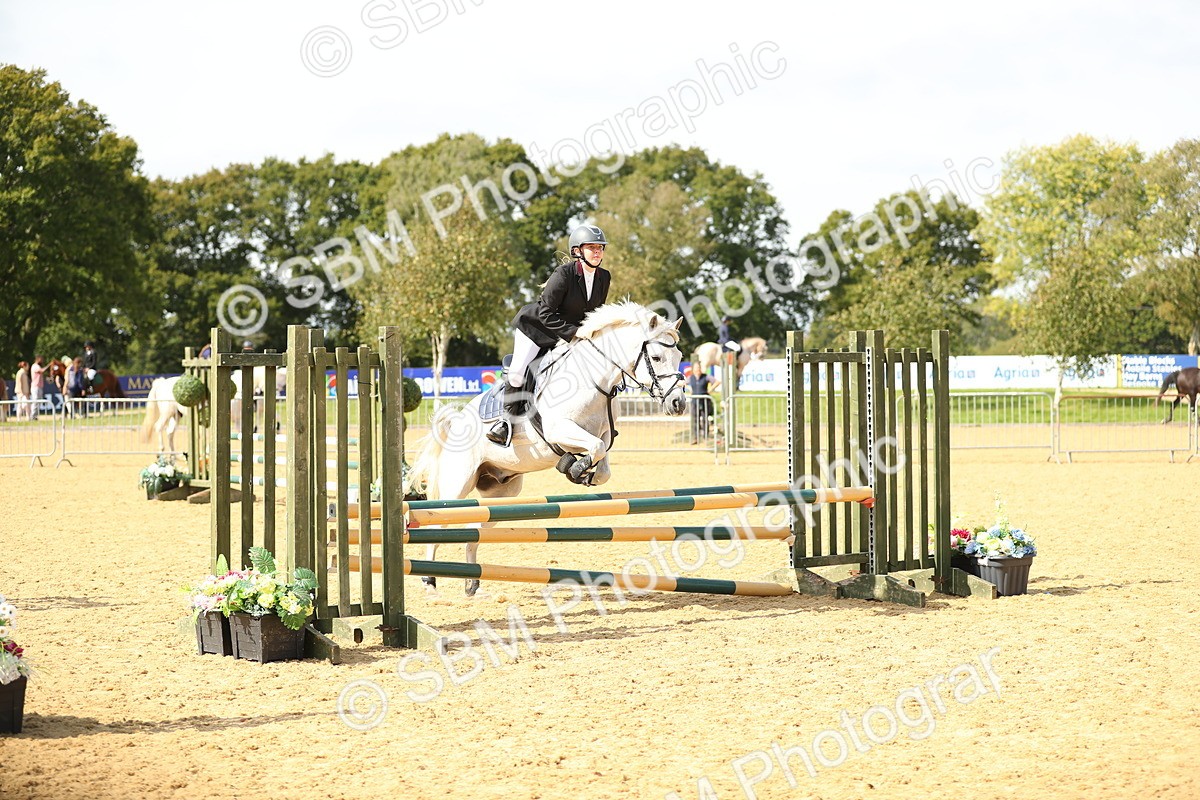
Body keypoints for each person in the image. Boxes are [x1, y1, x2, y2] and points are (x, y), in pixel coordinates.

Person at [487, 224, 612, 447]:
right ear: (577, 251)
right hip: (536, 329)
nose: (597, 252)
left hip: (566, 335)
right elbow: (545, 312)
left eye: (600, 248)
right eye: (591, 247)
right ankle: (505, 423)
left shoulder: (604, 277)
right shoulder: (564, 274)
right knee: (517, 373)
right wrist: (574, 333)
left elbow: (596, 314)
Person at [686, 363, 720, 444]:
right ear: (693, 369)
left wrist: (710, 390)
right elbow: (683, 383)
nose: (698, 370)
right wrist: (689, 389)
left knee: (705, 419)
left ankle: (705, 437)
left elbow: (717, 382)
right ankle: (695, 438)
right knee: (695, 420)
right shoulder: (690, 378)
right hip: (694, 402)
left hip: (704, 401)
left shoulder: (706, 376)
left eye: (699, 368)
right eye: (696, 368)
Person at [29, 355, 44, 420]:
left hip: (39, 386)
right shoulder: (35, 366)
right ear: (38, 359)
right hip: (35, 387)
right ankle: (32, 416)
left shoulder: (38, 366)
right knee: (35, 401)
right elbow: (41, 371)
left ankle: (35, 416)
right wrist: (49, 365)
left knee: (38, 402)